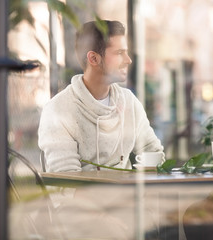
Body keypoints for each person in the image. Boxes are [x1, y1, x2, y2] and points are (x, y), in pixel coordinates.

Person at [38, 20, 164, 172]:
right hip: (85, 196)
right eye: (119, 53)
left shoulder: (129, 101)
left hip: (129, 194)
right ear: (94, 59)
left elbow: (153, 152)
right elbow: (68, 183)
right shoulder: (58, 110)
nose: (128, 60)